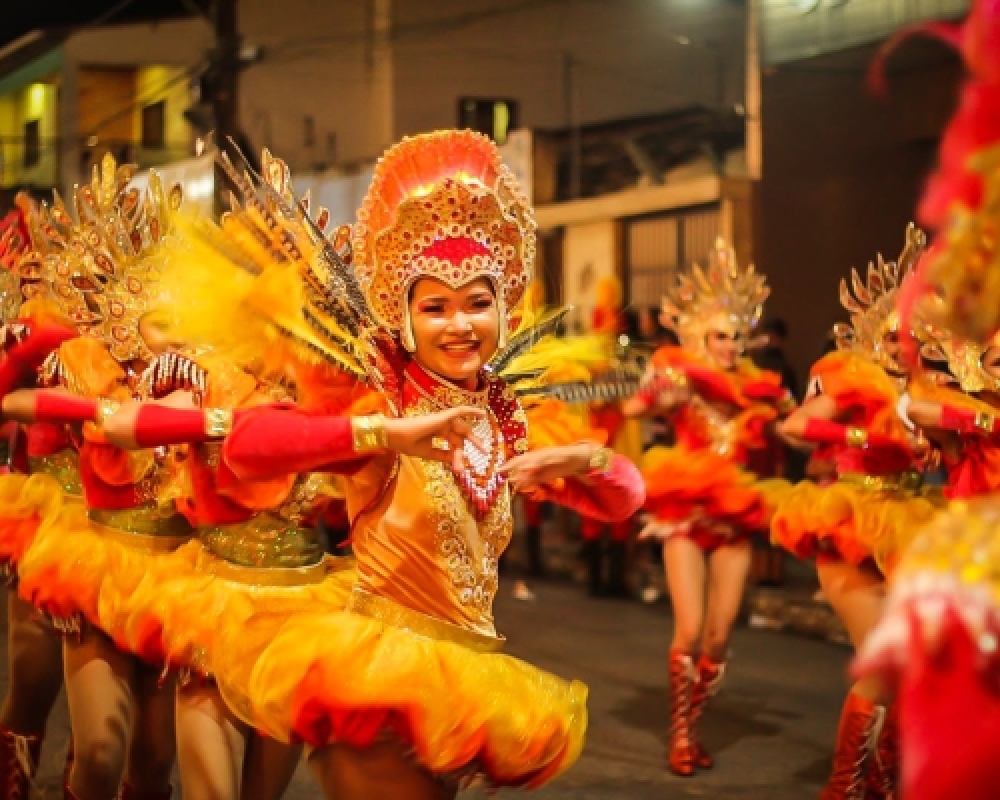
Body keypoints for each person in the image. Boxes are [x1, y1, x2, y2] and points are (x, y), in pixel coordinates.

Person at [111, 131, 644, 799]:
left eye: (478, 303)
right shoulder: (383, 398)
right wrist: (385, 434)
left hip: (465, 684)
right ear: (405, 315)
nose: (459, 324)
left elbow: (625, 500)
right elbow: (249, 446)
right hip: (376, 678)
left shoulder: (506, 418)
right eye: (436, 307)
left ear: (504, 309)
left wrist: (586, 457)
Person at [769, 224, 940, 799]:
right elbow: (794, 425)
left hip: (911, 523)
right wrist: (867, 436)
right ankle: (844, 787)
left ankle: (882, 784)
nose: (901, 348)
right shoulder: (852, 375)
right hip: (848, 518)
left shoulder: (930, 389)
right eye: (893, 336)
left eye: (912, 338)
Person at [623, 239, 794, 776]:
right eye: (721, 335)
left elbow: (795, 429)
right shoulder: (678, 374)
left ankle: (695, 722)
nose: (730, 344)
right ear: (699, 335)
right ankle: (681, 734)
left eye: (738, 336)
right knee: (691, 630)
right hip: (685, 512)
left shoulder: (755, 387)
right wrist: (659, 397)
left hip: (734, 515)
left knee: (720, 638)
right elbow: (631, 405)